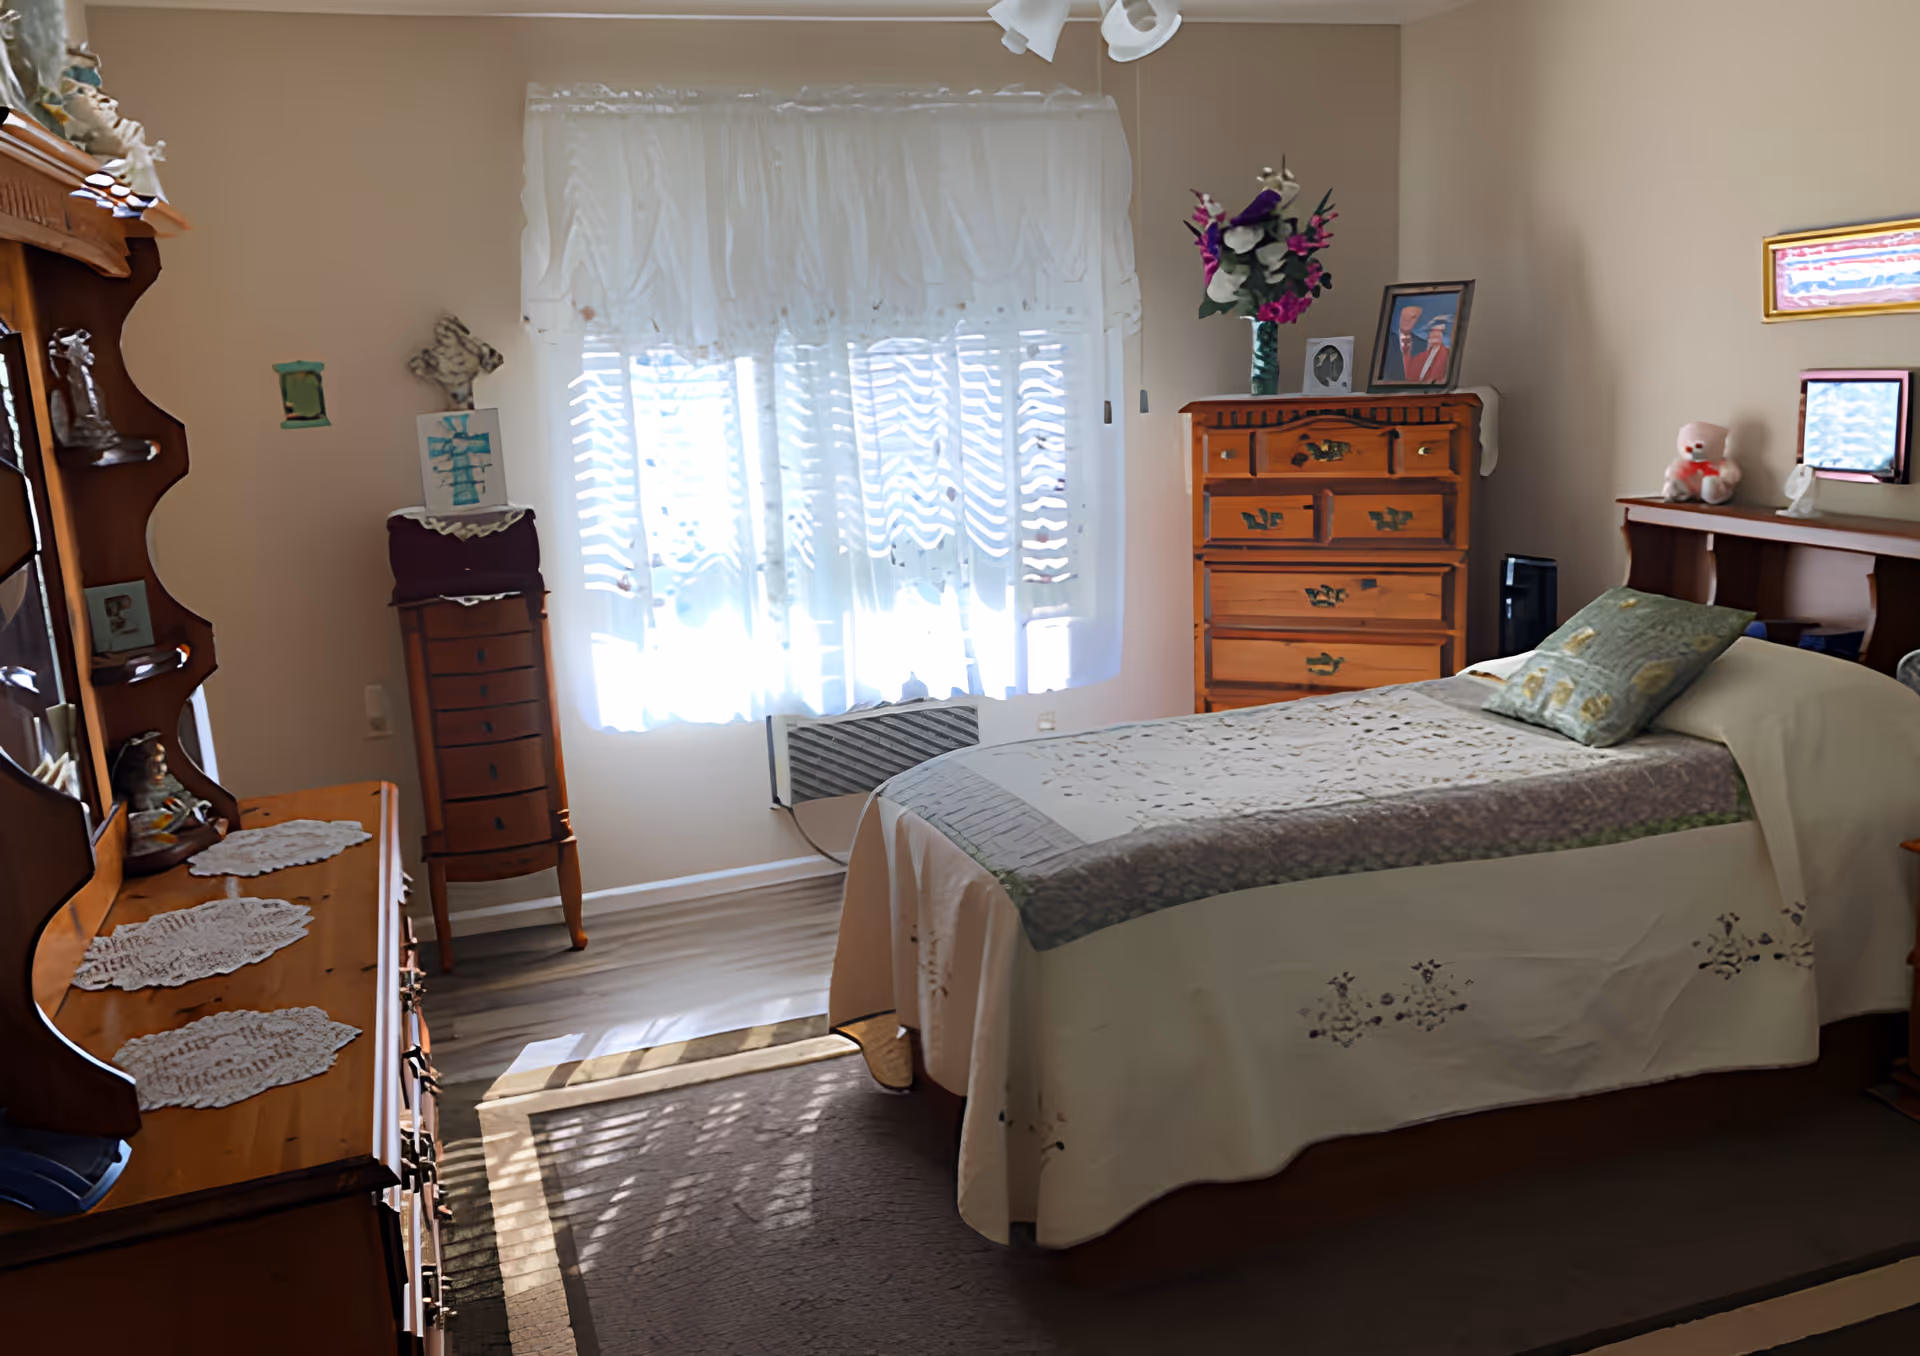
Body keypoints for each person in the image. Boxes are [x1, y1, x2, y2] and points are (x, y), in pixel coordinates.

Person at [1380, 302, 1423, 382]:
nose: (1407, 320)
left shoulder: (1423, 345)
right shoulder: (1383, 342)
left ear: (1418, 320)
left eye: (1412, 317)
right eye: (1404, 315)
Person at [1411, 316, 1452, 384]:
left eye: (1439, 332)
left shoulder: (1448, 355)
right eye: (1432, 331)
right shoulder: (1419, 357)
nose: (1435, 334)